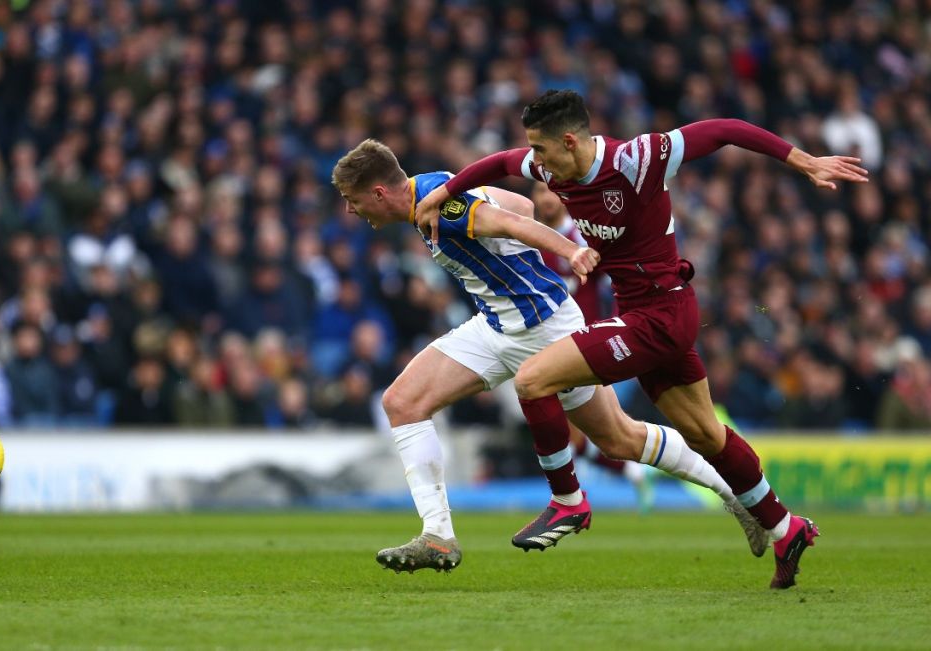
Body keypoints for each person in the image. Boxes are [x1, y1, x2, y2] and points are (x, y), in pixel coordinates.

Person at [415, 89, 869, 588]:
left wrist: (804, 162)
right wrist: (444, 191)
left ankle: (568, 502)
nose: (536, 164)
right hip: (644, 312)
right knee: (705, 434)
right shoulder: (551, 166)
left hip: (662, 314)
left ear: (570, 141)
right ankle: (786, 528)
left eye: (542, 151)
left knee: (532, 378)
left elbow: (723, 130)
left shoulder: (637, 159)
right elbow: (501, 161)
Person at [331, 139, 767, 574]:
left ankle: (733, 493)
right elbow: (521, 203)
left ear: (379, 193)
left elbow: (513, 223)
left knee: (618, 438)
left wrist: (570, 250)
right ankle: (438, 536)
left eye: (353, 201)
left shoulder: (443, 208)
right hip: (495, 325)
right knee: (402, 402)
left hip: (545, 327)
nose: (351, 211)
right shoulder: (431, 188)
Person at [531, 181, 652, 509]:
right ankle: (631, 470)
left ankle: (575, 496)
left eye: (549, 191)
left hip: (579, 348)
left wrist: (612, 326)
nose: (545, 198)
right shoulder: (531, 241)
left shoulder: (581, 241)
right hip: (541, 347)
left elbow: (616, 281)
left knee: (587, 431)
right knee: (584, 432)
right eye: (538, 192)